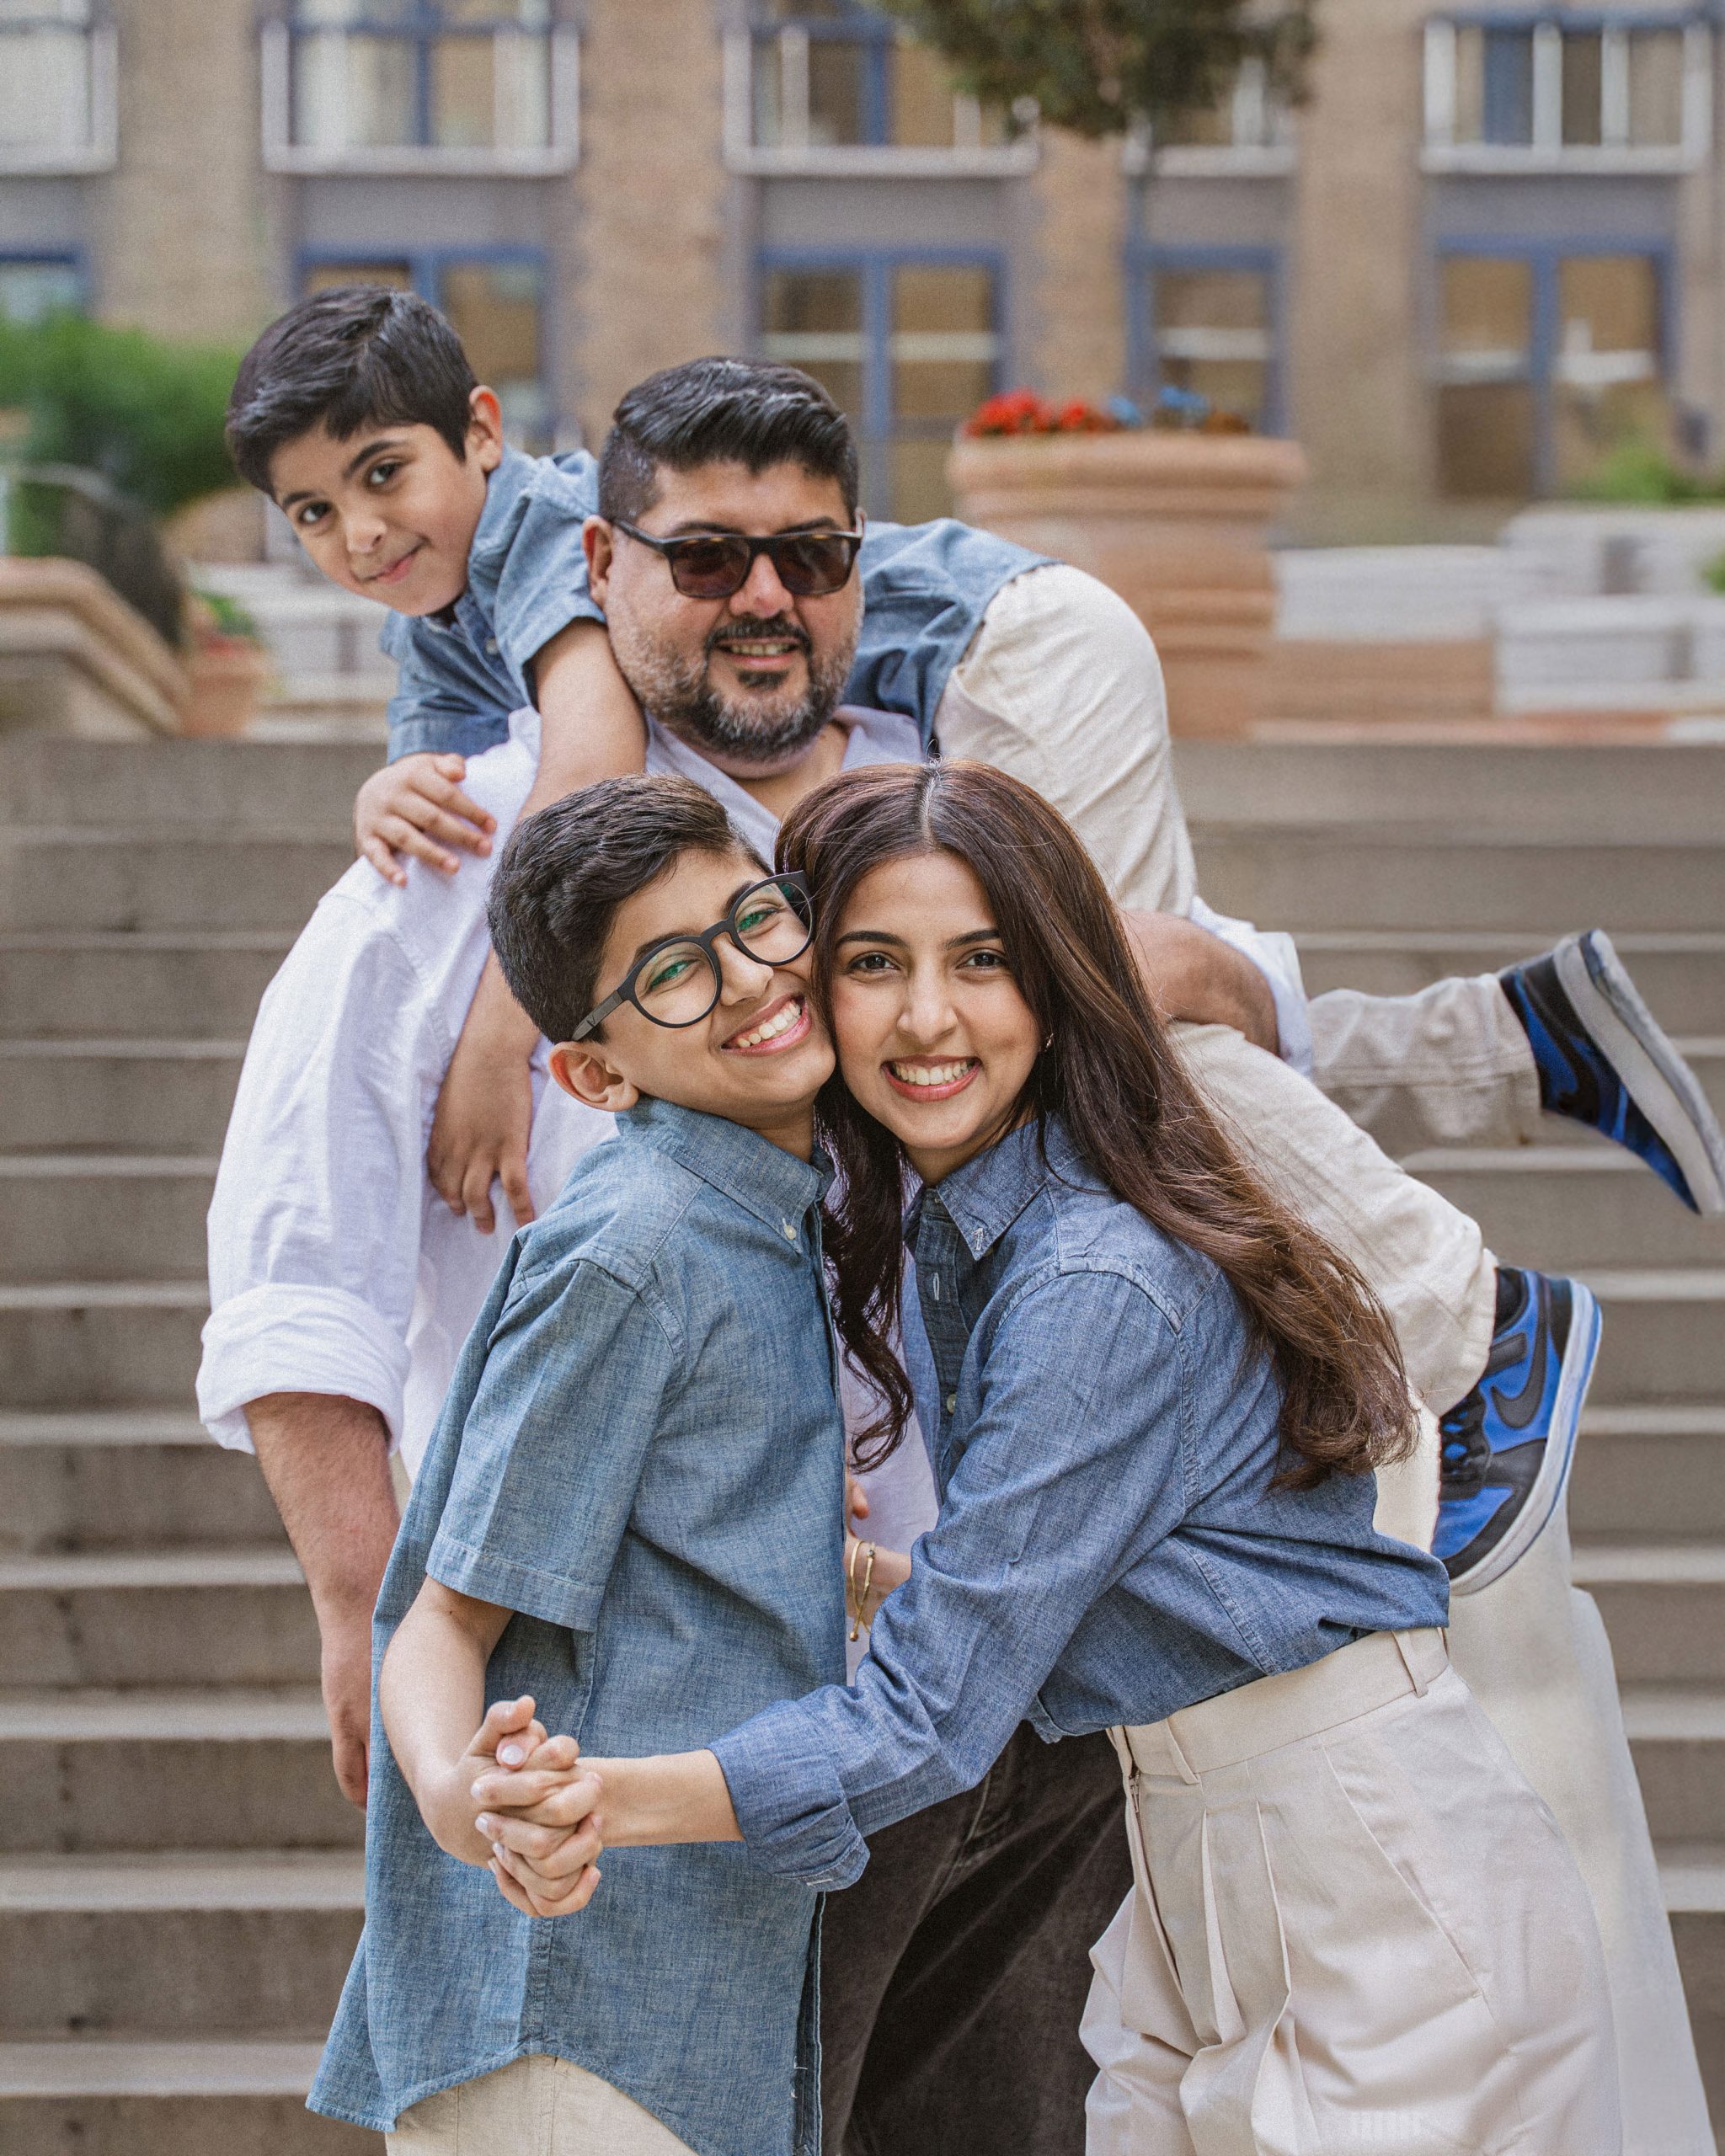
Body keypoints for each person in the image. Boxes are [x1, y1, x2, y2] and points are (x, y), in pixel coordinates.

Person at [204, 345, 1713, 2150]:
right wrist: (375, 1628)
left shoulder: (942, 821)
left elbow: (1177, 993)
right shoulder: (460, 862)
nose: (849, 1004)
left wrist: (609, 1776)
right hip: (874, 1740)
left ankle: (1458, 1332)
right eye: (699, 560)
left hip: (1066, 1765)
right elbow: (302, 1280)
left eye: (810, 557)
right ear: (597, 572)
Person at [470, 759, 1621, 2156]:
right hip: (1209, 1858)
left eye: (985, 961)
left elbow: (936, 1717)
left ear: (1058, 980)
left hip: (1365, 1866)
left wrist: (606, 1799)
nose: (928, 1016)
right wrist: (862, 1575)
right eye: (876, 961)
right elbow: (1101, 1580)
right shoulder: (970, 1236)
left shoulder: (1092, 1278)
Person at [310, 774, 848, 2153]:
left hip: (686, 1992)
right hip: (567, 2013)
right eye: (672, 972)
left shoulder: (765, 1220)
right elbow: (441, 1613)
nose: (746, 980)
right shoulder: (634, 1251)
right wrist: (459, 1801)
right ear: (593, 1074)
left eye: (755, 921)